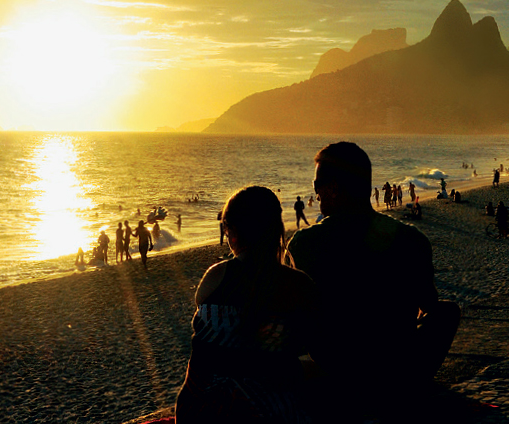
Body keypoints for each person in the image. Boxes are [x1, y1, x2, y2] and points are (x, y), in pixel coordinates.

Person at [287, 142, 461, 421]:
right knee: (448, 312)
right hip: (397, 371)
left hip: (337, 373)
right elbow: (429, 304)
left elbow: (294, 321)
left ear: (333, 189)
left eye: (317, 185)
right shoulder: (411, 239)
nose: (316, 193)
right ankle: (408, 387)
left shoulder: (305, 243)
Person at [175, 186, 316, 423]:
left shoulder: (215, 278)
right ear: (277, 230)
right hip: (273, 410)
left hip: (202, 409)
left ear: (232, 234)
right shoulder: (298, 284)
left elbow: (200, 360)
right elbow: (322, 355)